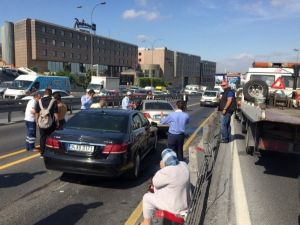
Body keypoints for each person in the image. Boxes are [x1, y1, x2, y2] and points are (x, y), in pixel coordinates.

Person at [141, 148, 190, 225]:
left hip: (175, 211)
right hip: (186, 207)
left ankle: (146, 222)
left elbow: (155, 182)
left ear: (164, 161)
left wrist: (163, 168)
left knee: (146, 197)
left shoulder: (166, 172)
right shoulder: (184, 165)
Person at [35, 88, 59, 155]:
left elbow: (36, 113)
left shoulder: (39, 101)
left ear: (44, 93)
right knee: (50, 137)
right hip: (50, 122)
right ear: (51, 94)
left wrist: (37, 121)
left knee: (42, 137)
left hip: (41, 122)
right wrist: (57, 122)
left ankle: (42, 153)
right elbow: (55, 113)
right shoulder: (53, 101)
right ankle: (49, 152)